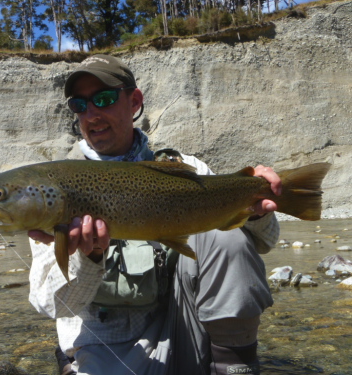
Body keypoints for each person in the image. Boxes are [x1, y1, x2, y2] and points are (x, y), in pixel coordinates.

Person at [28, 54, 280, 375]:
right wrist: (86, 259)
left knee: (226, 236)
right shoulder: (56, 188)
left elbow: (265, 241)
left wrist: (258, 211)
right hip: (110, 350)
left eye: (103, 99)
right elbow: (50, 305)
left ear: (134, 102)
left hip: (189, 331)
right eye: (79, 105)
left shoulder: (185, 170)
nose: (91, 114)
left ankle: (236, 366)